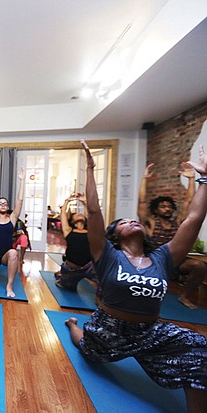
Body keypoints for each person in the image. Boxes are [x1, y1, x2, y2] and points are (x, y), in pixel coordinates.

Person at [65, 140, 207, 413]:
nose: (132, 220)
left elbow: (194, 219)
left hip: (149, 331)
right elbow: (94, 211)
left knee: (200, 347)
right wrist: (91, 170)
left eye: (134, 220)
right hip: (109, 329)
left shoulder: (164, 258)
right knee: (86, 348)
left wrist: (204, 178)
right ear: (115, 236)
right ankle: (73, 324)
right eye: (123, 222)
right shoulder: (107, 255)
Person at [138, 163, 207, 309]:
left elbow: (189, 202)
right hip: (154, 263)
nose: (167, 209)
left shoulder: (177, 222)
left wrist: (191, 179)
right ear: (156, 210)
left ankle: (185, 296)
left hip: (176, 262)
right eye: (163, 207)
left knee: (200, 267)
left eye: (169, 206)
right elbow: (142, 202)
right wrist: (144, 179)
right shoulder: (151, 223)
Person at [0, 167, 25, 297]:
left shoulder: (12, 219)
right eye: (0, 203)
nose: (3, 205)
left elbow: (19, 201)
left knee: (14, 253)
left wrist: (22, 180)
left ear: (8, 207)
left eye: (5, 203)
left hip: (5, 256)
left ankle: (9, 286)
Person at [54, 193, 96, 290]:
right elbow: (63, 213)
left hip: (90, 267)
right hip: (72, 269)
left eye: (81, 214)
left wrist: (84, 202)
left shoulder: (91, 231)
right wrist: (67, 201)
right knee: (65, 286)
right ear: (72, 221)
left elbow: (92, 215)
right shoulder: (68, 230)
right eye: (76, 214)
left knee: (103, 287)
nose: (80, 214)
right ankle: (61, 274)